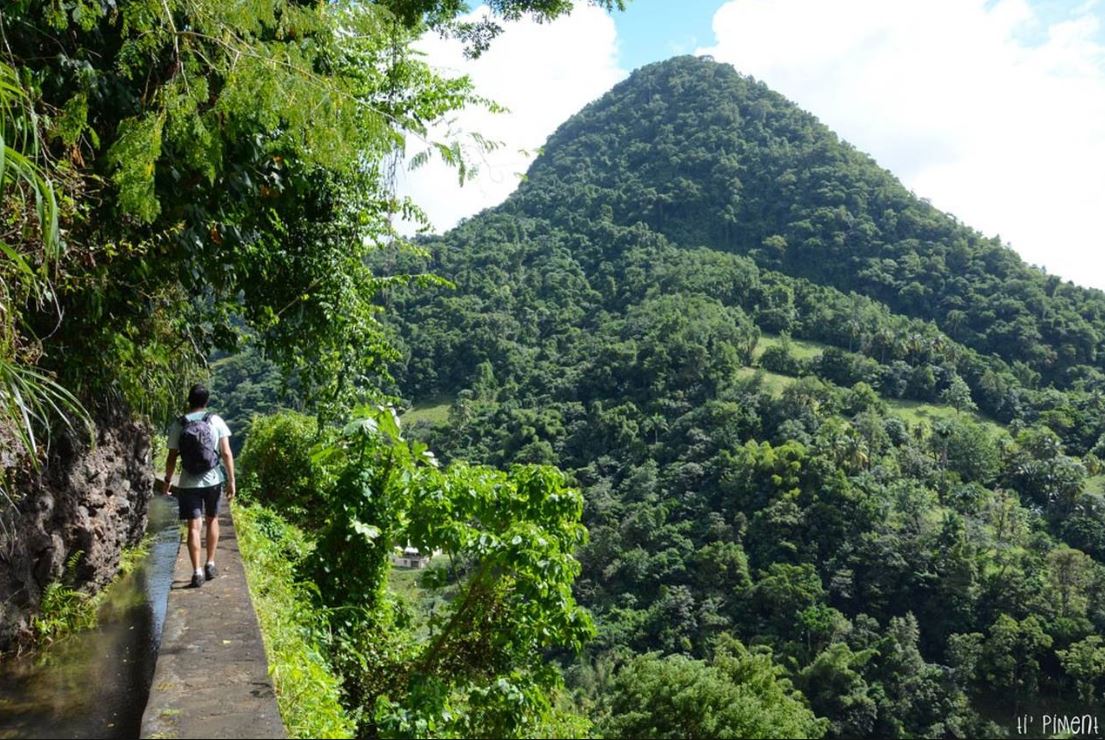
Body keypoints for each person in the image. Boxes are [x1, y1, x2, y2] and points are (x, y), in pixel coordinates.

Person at [162, 384, 236, 588]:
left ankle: (196, 572)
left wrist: (168, 482)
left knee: (193, 526)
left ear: (189, 400)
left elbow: (171, 457)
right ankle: (210, 563)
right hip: (213, 480)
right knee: (212, 520)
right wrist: (231, 480)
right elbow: (227, 453)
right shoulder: (215, 420)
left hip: (188, 482)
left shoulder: (179, 424)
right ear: (206, 401)